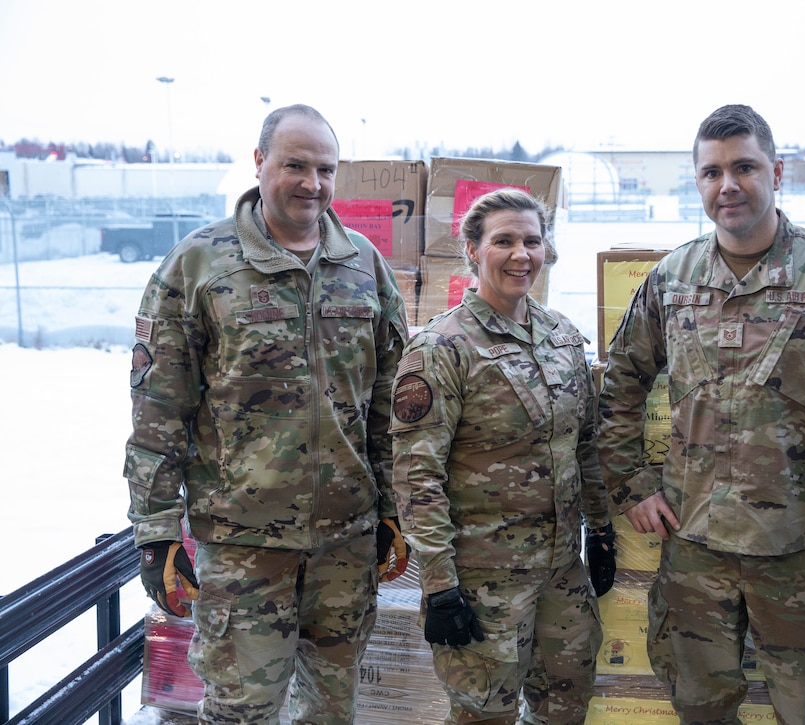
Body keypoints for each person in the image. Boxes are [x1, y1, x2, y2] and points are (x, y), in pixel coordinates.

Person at [596, 104, 805, 724]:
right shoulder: (672, 280)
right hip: (695, 551)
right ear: (698, 182)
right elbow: (618, 385)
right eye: (711, 172)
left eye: (745, 167)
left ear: (776, 171)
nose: (728, 185)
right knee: (700, 710)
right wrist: (631, 486)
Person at [124, 103, 409, 724]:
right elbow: (158, 409)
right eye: (295, 165)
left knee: (331, 710)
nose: (311, 183)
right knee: (241, 712)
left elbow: (389, 403)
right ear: (259, 163)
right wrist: (155, 531)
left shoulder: (364, 265)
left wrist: (393, 508)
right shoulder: (199, 265)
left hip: (345, 542)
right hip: (244, 546)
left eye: (325, 169)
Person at [389, 187, 615, 724]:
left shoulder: (561, 337)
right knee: (482, 715)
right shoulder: (442, 348)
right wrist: (439, 585)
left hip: (562, 572)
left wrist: (601, 530)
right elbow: (417, 475)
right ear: (472, 250)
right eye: (504, 241)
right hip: (483, 580)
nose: (521, 255)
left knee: (565, 707)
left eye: (532, 241)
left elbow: (584, 446)